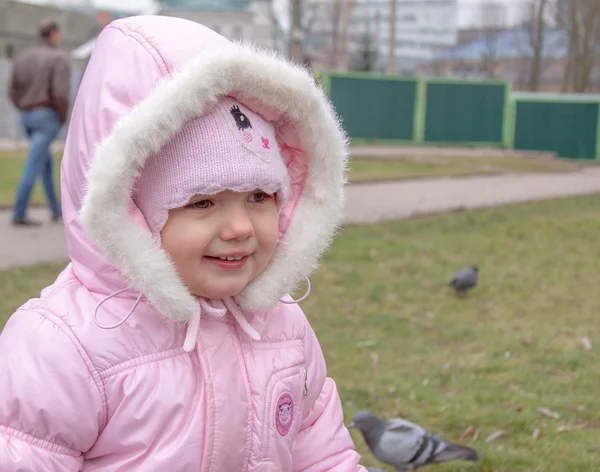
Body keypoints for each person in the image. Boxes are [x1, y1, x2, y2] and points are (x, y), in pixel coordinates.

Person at [0, 15, 367, 471]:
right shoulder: (64, 346)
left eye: (258, 196)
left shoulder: (284, 327)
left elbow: (321, 452)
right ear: (129, 213)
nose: (240, 227)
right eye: (202, 202)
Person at [8, 18, 69, 226]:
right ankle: (19, 212)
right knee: (34, 163)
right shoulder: (58, 58)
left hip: (27, 116)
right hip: (47, 117)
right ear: (53, 34)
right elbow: (60, 94)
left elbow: (11, 91)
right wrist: (61, 118)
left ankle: (55, 209)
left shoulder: (22, 57)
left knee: (44, 162)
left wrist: (24, 108)